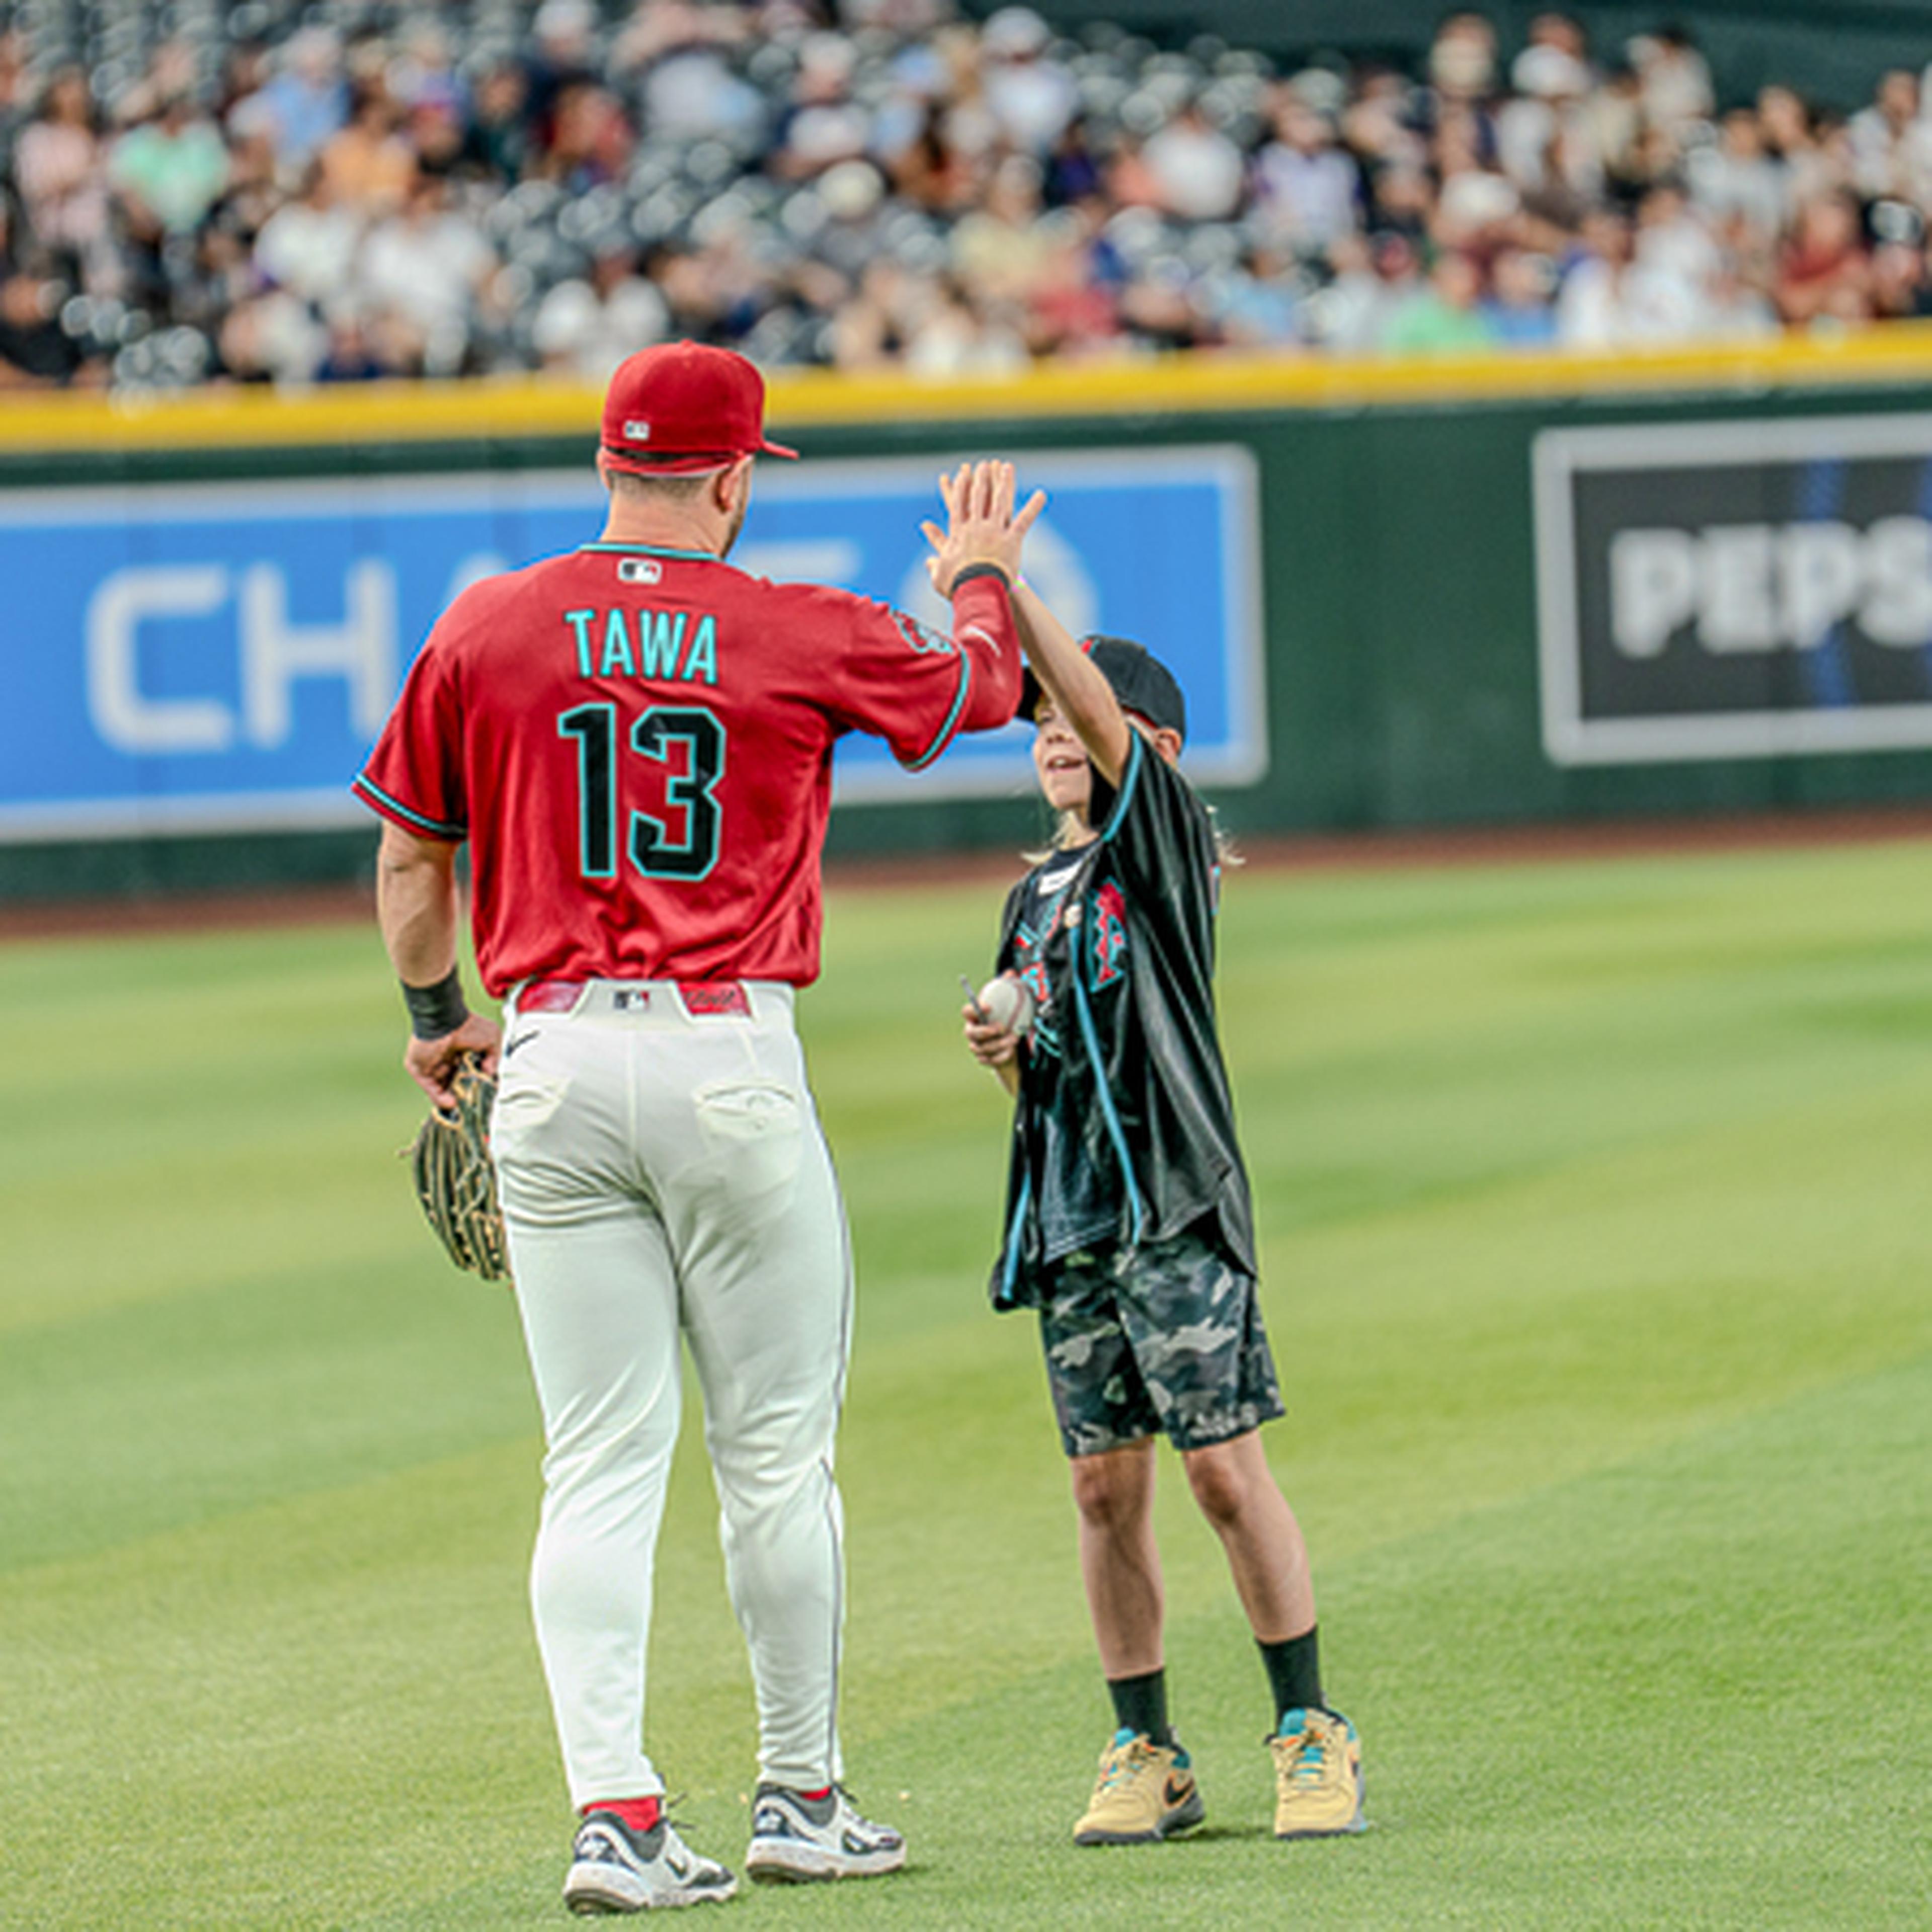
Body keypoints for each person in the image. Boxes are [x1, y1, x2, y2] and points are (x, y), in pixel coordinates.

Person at [355, 344, 1034, 1913]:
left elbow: (408, 869)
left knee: (594, 1467)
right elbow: (980, 691)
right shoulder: (793, 624)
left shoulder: (488, 620)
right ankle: (801, 1795)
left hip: (552, 1062)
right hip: (732, 1063)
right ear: (733, 477)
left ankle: (618, 1819)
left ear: (610, 463)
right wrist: (986, 577)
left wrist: (433, 1020)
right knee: (775, 1461)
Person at [950, 515, 1366, 1847]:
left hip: (1175, 1211)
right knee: (1101, 1492)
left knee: (1224, 1477)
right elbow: (1053, 1089)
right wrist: (1011, 1054)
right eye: (1042, 722)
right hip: (1074, 1225)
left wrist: (1002, 591)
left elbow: (1100, 715)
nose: (1056, 732)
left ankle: (1312, 1729)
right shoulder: (1033, 901)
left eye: (1084, 716)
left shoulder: (1163, 847)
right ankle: (1147, 1749)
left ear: (1155, 752)